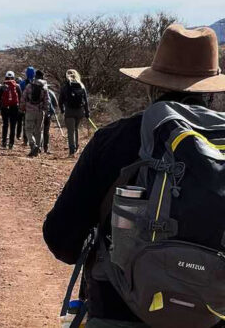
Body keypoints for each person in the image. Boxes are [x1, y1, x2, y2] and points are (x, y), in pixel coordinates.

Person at [43, 25, 225, 328]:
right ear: (211, 92)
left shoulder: (114, 140)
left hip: (116, 312)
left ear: (152, 86)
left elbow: (61, 239)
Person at [59, 69, 90, 157]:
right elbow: (86, 101)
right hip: (79, 111)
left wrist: (62, 110)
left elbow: (60, 100)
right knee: (75, 129)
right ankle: (76, 147)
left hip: (69, 111)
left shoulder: (65, 86)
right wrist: (87, 112)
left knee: (70, 131)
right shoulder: (81, 85)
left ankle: (72, 151)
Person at [21, 69, 50, 157]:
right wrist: (46, 110)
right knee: (39, 131)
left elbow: (23, 98)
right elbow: (47, 100)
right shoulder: (45, 87)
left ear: (35, 76)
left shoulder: (29, 86)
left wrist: (22, 108)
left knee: (28, 129)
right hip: (40, 112)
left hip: (29, 111)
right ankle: (38, 148)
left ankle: (33, 145)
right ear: (42, 77)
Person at [0, 71, 22, 150]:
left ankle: (4, 142)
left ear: (5, 77)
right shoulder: (17, 86)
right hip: (14, 108)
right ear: (14, 77)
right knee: (13, 126)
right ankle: (11, 144)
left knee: (5, 125)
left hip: (5, 108)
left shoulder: (2, 87)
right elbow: (20, 98)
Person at [18, 67, 36, 143]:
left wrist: (21, 106)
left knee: (26, 123)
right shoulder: (37, 83)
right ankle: (35, 139)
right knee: (35, 124)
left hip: (26, 106)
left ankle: (26, 140)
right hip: (36, 106)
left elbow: (20, 95)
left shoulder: (22, 83)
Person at [42, 86, 59, 154]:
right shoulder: (51, 92)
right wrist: (51, 112)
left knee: (39, 130)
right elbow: (56, 104)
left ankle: (38, 147)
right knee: (46, 131)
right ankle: (46, 148)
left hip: (39, 113)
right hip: (48, 114)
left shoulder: (39, 91)